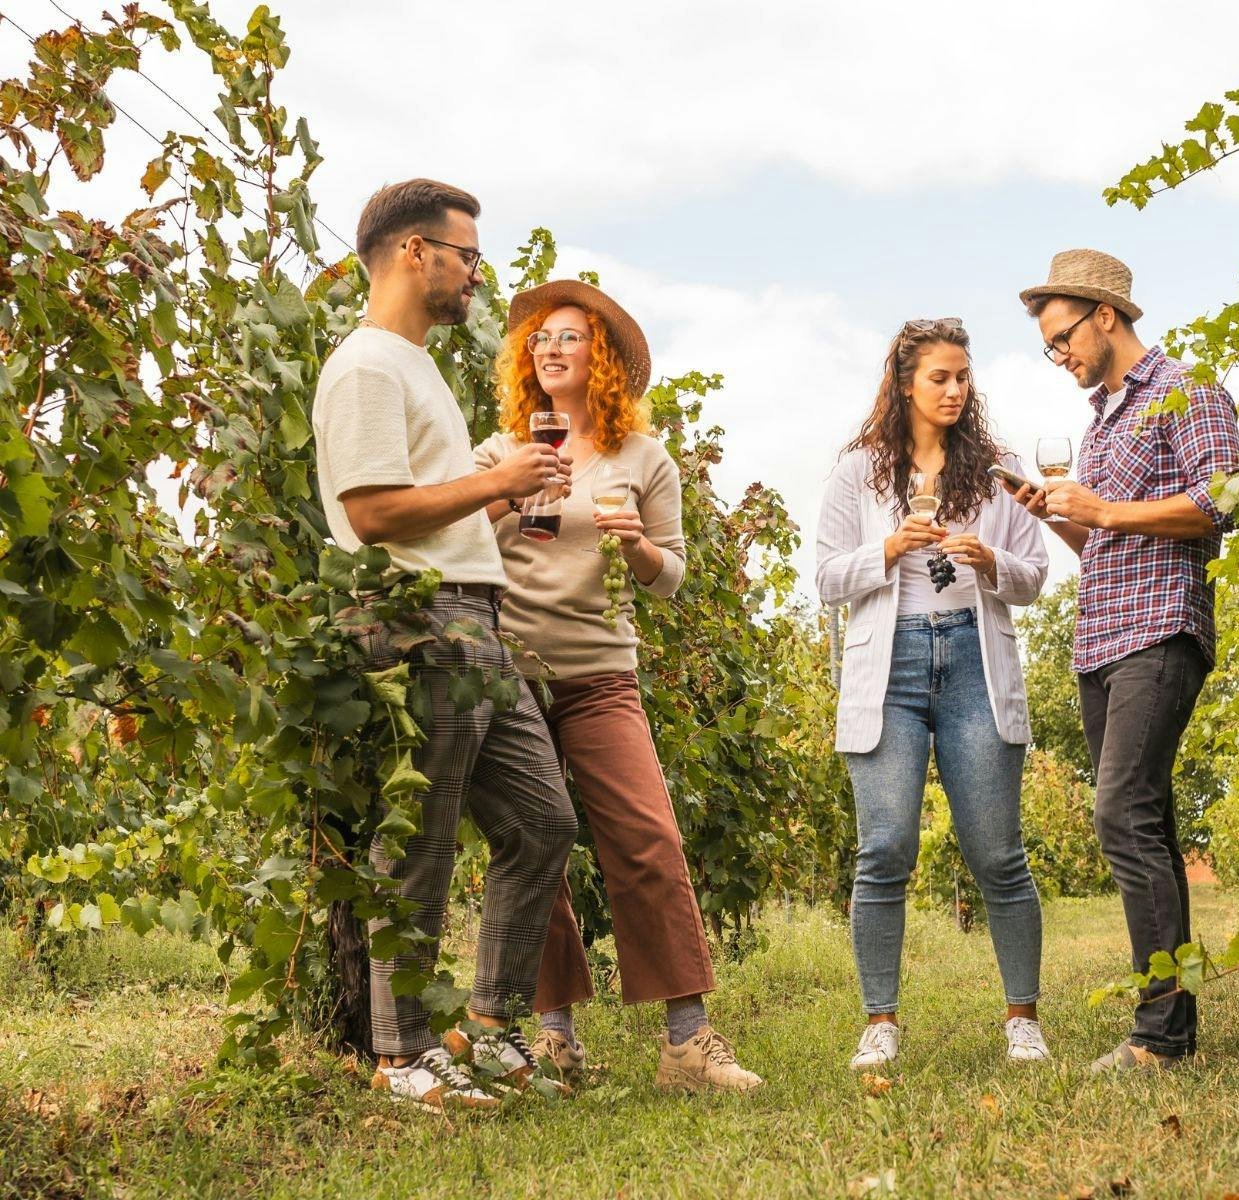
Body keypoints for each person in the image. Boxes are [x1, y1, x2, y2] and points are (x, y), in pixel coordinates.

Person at [311, 179, 580, 1111]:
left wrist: (508, 496)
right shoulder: (366, 367)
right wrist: (495, 481)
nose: (476, 273)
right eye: (467, 255)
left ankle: (490, 1027)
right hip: (418, 622)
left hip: (475, 619)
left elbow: (433, 509)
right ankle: (402, 1056)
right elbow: (373, 513)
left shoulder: (416, 366)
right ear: (413, 251)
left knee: (543, 824)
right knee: (421, 840)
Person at [471, 279, 763, 1094]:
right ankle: (555, 1037)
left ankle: (688, 1043)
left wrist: (636, 545)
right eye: (540, 338)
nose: (550, 348)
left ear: (599, 357)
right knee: (537, 844)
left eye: (569, 336)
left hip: (602, 672)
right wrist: (508, 493)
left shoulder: (642, 457)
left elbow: (669, 577)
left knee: (649, 841)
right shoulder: (500, 451)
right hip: (512, 675)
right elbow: (453, 533)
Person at [1012, 249, 1239, 1073]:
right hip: (1101, 639)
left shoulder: (1188, 389)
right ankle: (1172, 1028)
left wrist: (1104, 507)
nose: (1058, 355)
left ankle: (1158, 1034)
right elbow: (1108, 541)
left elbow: (1222, 502)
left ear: (1105, 315)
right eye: (1048, 345)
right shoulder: (1103, 420)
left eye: (1062, 337)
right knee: (1147, 821)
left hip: (1160, 629)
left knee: (1120, 815)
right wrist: (1058, 516)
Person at [816, 317, 1051, 1071]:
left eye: (963, 377)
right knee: (884, 849)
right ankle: (880, 1022)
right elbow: (827, 577)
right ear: (904, 383)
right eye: (939, 378)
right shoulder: (859, 472)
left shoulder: (1000, 471)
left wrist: (990, 561)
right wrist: (887, 549)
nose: (955, 391)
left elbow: (1034, 577)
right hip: (891, 667)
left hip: (975, 663)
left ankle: (1023, 1020)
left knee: (998, 854)